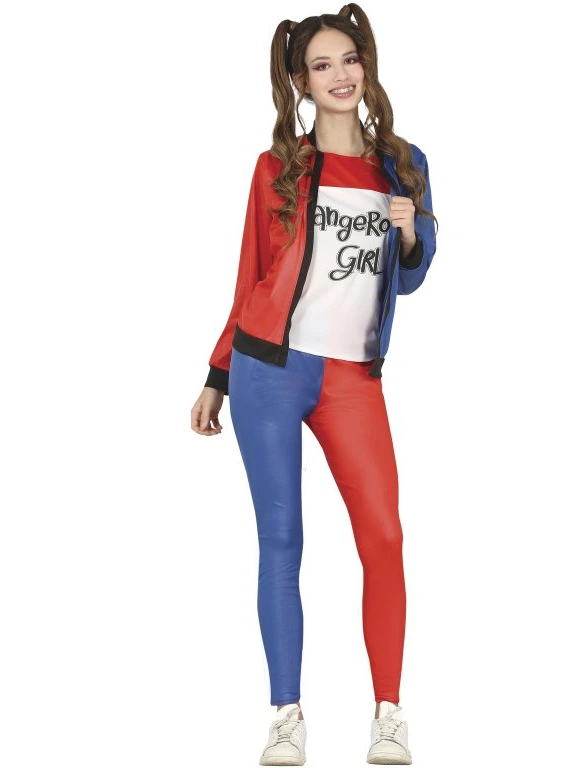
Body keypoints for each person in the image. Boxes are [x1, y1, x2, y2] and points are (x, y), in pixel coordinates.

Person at [190, 5, 437, 765]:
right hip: (268, 370)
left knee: (384, 536)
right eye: (321, 65)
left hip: (351, 377)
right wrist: (217, 374)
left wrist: (408, 229)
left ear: (366, 66)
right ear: (301, 81)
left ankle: (388, 712)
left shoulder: (404, 163)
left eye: (349, 59)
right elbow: (251, 277)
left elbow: (414, 275)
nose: (339, 75)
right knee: (282, 539)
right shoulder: (278, 168)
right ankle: (287, 714)